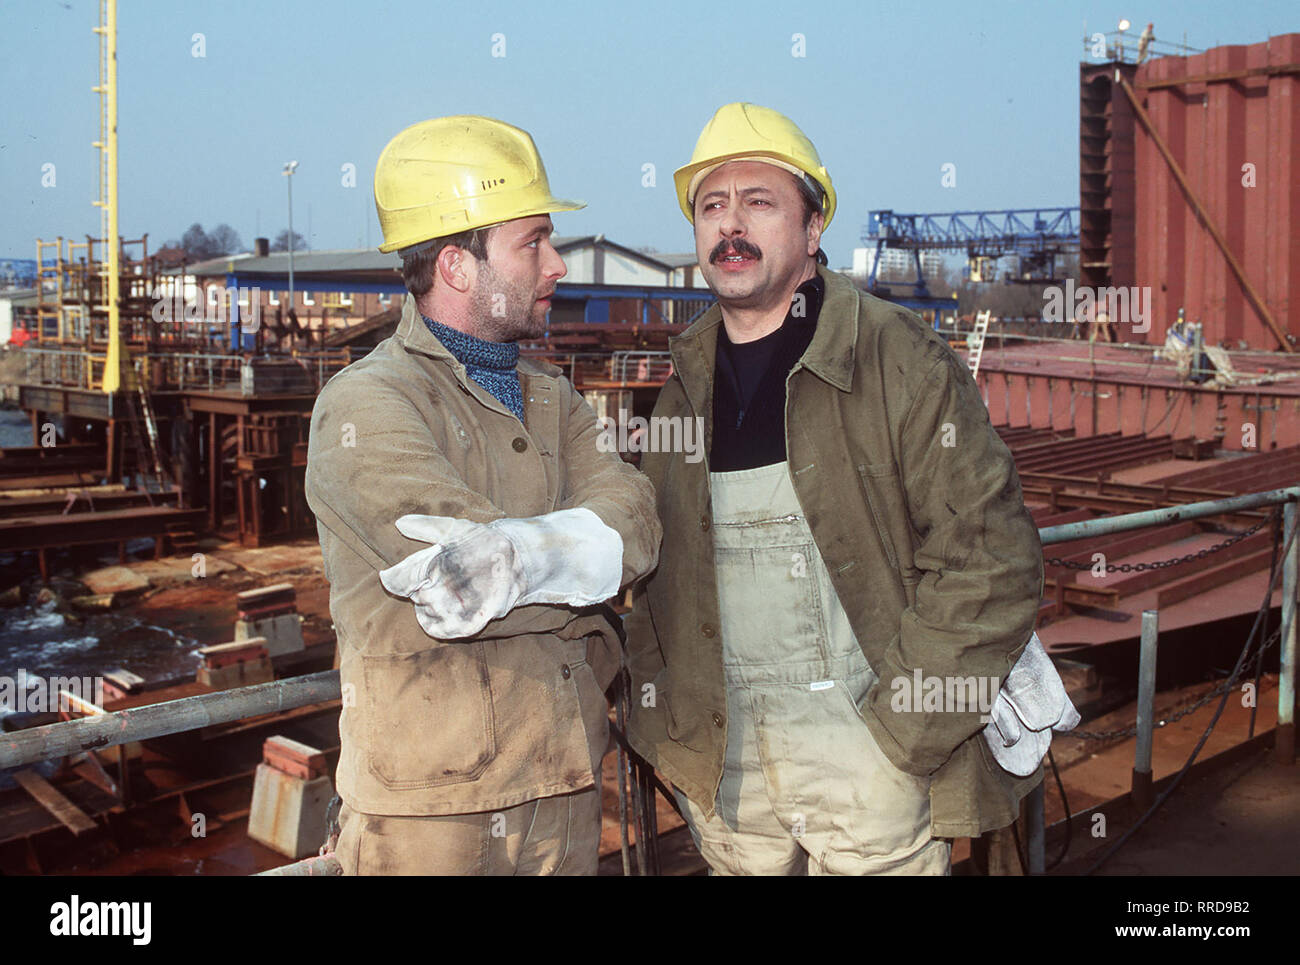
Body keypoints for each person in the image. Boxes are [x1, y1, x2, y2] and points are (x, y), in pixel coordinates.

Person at [624, 102, 1076, 876]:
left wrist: (903, 732)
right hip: (732, 782)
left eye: (758, 202)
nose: (730, 224)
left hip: (873, 772)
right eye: (711, 205)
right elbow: (660, 587)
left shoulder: (899, 360)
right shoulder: (682, 392)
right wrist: (670, 729)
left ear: (814, 225)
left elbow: (992, 560)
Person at [305, 115, 661, 875]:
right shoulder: (365, 406)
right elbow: (452, 575)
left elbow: (636, 517)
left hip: (564, 792)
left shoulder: (553, 398)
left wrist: (526, 558)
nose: (557, 264)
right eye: (532, 241)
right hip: (431, 819)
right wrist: (584, 574)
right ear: (457, 266)